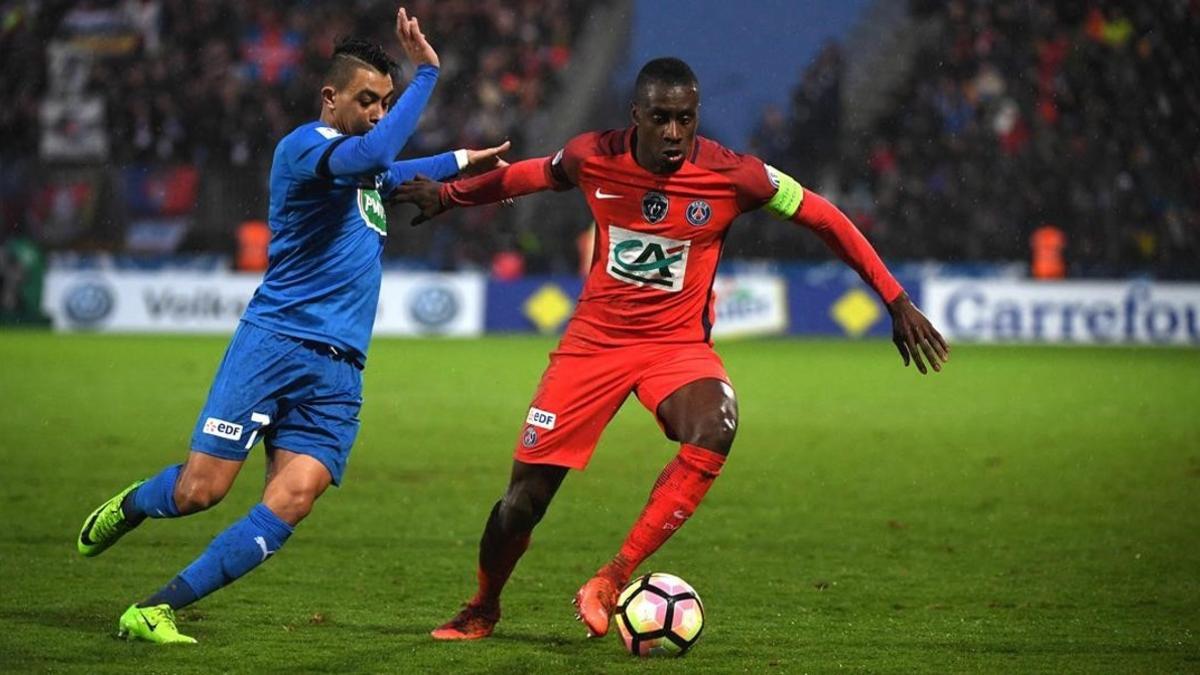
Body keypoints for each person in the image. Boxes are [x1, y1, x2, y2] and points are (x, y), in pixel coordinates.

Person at [393, 57, 950, 641]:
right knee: (522, 503)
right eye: (660, 119)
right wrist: (451, 195)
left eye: (685, 119)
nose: (674, 133)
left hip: (675, 348)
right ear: (636, 116)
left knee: (718, 424)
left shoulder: (737, 175)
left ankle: (612, 578)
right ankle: (484, 605)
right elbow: (528, 175)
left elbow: (825, 217)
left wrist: (895, 299)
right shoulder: (593, 155)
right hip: (592, 347)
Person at [75, 7, 509, 644]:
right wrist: (427, 76)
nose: (379, 114)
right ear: (330, 98)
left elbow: (396, 168)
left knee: (295, 497)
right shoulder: (305, 147)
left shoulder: (364, 167)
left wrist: (467, 158)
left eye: (387, 102)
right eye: (368, 101)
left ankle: (156, 607)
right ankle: (137, 502)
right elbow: (380, 154)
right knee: (201, 492)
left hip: (340, 369)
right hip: (275, 345)